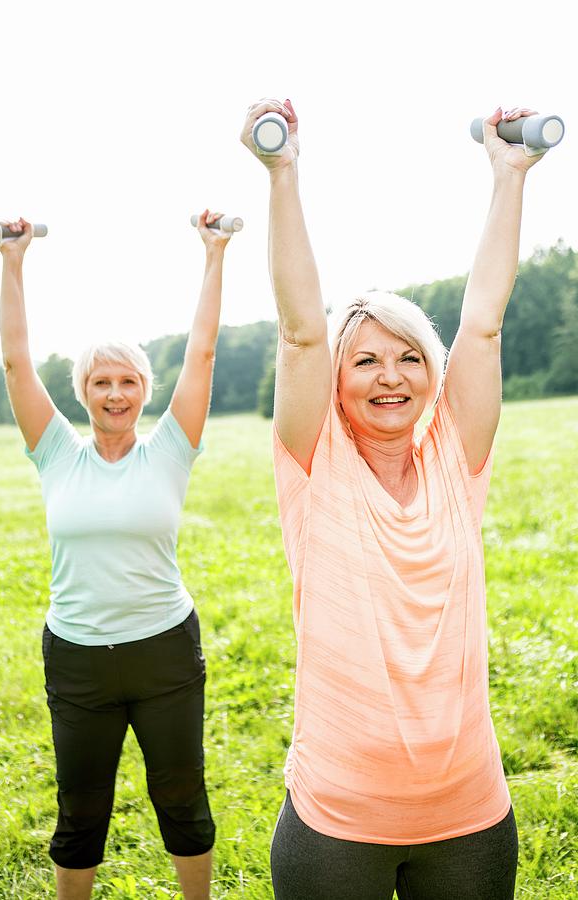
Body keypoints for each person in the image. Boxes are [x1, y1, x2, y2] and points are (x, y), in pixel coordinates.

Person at [241, 99, 546, 900]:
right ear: (336, 383)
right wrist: (283, 172)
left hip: (470, 817)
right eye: (366, 359)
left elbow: (482, 325)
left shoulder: (457, 459)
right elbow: (302, 330)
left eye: (409, 356)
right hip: (338, 821)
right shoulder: (315, 465)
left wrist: (507, 175)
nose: (390, 375)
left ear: (431, 374)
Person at [0, 211, 232, 900]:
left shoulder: (172, 450)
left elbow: (203, 353)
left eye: (127, 381)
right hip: (77, 660)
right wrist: (14, 262)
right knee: (80, 810)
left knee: (182, 796)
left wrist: (213, 254)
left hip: (164, 652)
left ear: (145, 390)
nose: (115, 394)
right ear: (83, 394)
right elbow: (15, 359)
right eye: (101, 383)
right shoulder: (55, 453)